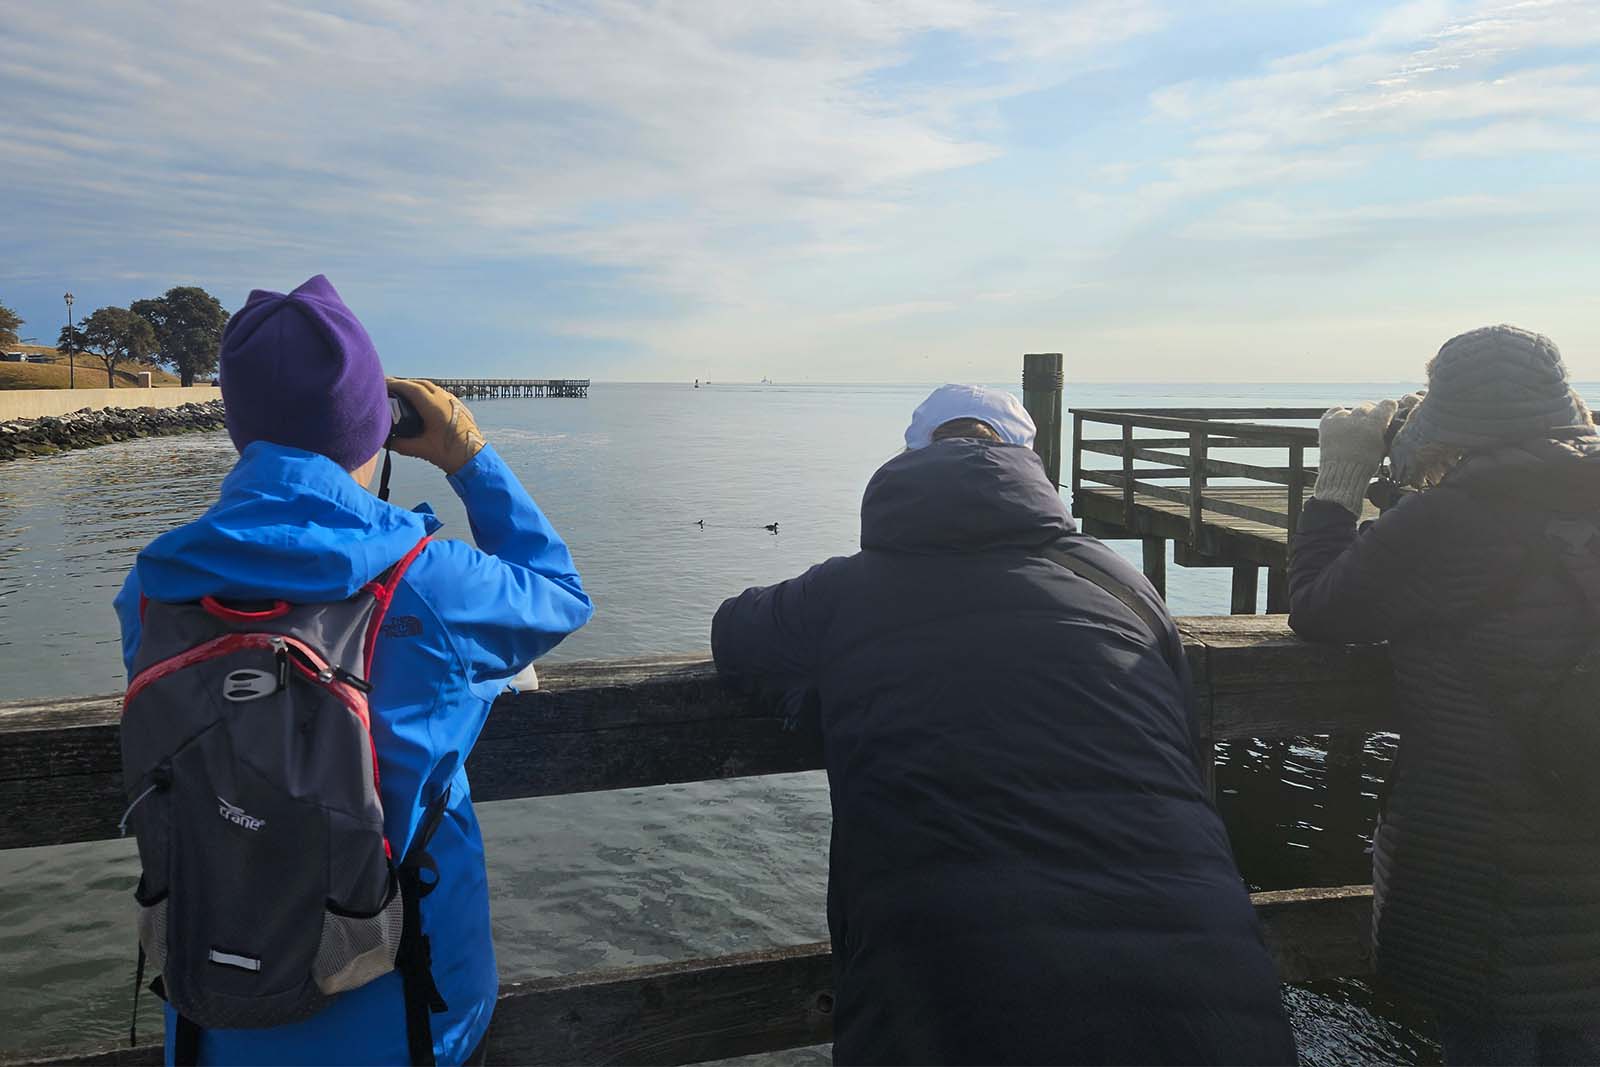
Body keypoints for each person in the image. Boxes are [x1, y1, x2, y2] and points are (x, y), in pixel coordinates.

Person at [711, 385, 1296, 1065]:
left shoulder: (840, 594)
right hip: (1212, 1001)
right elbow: (1183, 741)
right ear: (1031, 464)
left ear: (912, 459)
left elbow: (734, 632)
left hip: (945, 1009)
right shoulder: (1122, 585)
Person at [113, 275, 593, 1065]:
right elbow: (560, 593)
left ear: (240, 428)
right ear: (374, 422)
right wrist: (468, 455)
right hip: (406, 1022)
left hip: (214, 1027)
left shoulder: (151, 588)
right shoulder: (430, 581)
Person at [1289, 325, 1600, 1066]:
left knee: (1490, 1040)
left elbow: (1322, 609)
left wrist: (1340, 482)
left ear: (1450, 415)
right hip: (1587, 857)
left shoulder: (1446, 520)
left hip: (1482, 868)